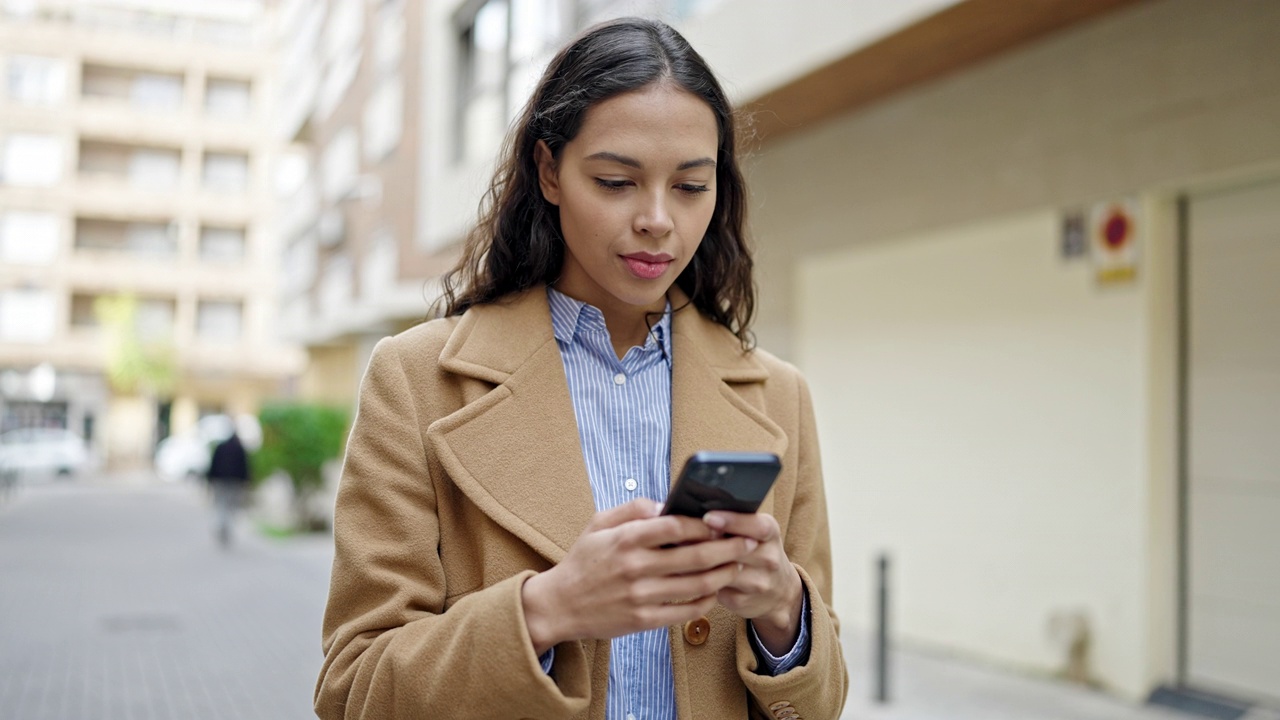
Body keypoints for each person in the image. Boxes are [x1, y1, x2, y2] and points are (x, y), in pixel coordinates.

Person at [316, 17, 847, 720]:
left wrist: (784, 609)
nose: (658, 220)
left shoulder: (779, 394)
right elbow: (353, 689)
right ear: (549, 172)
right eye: (617, 181)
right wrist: (546, 610)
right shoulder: (416, 381)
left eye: (691, 187)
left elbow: (825, 700)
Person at [206, 426, 250, 548]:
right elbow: (245, 467)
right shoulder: (239, 448)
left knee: (221, 505)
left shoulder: (221, 447)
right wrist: (245, 481)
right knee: (230, 507)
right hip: (234, 482)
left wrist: (210, 479)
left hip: (220, 481)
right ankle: (225, 528)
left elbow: (213, 464)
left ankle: (221, 526)